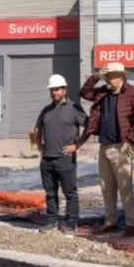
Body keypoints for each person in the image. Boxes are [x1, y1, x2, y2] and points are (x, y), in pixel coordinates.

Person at [79, 62, 134, 237]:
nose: (108, 79)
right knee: (106, 186)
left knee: (125, 186)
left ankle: (131, 223)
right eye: (106, 76)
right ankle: (111, 221)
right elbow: (84, 93)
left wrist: (130, 140)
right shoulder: (103, 92)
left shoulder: (133, 93)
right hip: (105, 144)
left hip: (121, 145)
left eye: (110, 76)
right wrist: (96, 76)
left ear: (120, 77)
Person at [33, 74, 90, 234]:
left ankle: (71, 223)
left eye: (57, 89)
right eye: (52, 90)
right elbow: (37, 128)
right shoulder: (46, 110)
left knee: (70, 192)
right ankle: (52, 221)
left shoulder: (74, 109)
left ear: (64, 90)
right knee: (50, 193)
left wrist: (77, 145)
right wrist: (39, 145)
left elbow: (89, 126)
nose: (54, 93)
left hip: (65, 159)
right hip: (47, 159)